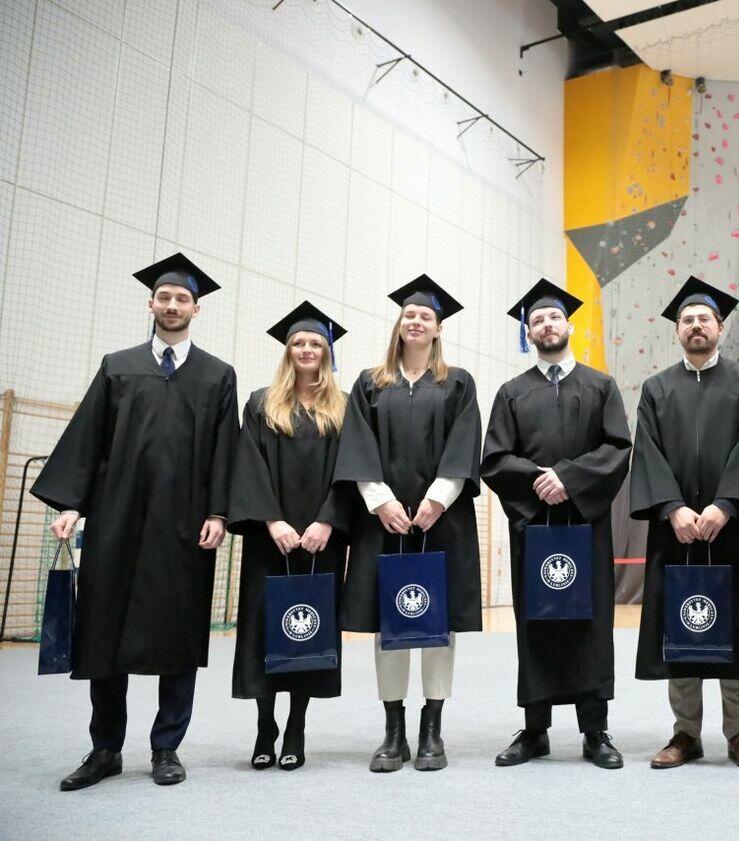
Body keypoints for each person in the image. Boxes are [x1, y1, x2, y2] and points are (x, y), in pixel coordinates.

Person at [34, 253, 238, 789]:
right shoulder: (117, 366)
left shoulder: (218, 375)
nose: (172, 305)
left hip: (184, 525)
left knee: (179, 633)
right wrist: (72, 505)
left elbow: (225, 450)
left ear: (196, 309)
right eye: (164, 297)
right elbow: (88, 439)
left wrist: (219, 512)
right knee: (104, 630)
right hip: (116, 520)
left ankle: (166, 747)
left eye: (182, 298)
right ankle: (105, 749)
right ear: (151, 304)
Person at [630, 276, 739, 771]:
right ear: (677, 330)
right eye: (687, 320)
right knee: (681, 626)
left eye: (704, 319)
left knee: (736, 627)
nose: (696, 326)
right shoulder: (657, 389)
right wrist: (672, 507)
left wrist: (726, 504)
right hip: (676, 529)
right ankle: (686, 733)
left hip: (732, 527)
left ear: (720, 327)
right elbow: (647, 451)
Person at [481, 279, 632, 770]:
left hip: (586, 526)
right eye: (537, 320)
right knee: (537, 622)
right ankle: (534, 730)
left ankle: (595, 731)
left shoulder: (601, 386)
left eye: (553, 317)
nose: (546, 325)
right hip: (534, 528)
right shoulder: (512, 392)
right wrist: (538, 483)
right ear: (528, 333)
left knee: (591, 623)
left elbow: (618, 448)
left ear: (569, 325)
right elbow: (495, 458)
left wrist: (568, 479)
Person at [334, 275, 482, 772]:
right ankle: (393, 730)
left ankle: (432, 728)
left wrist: (438, 499)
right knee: (388, 622)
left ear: (438, 329)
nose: (416, 321)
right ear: (399, 325)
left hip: (443, 521)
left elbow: (464, 443)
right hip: (385, 521)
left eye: (425, 317)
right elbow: (357, 445)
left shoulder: (458, 382)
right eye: (409, 315)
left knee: (439, 625)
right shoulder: (370, 383)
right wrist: (380, 502)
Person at [227, 301, 354, 772]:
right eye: (298, 343)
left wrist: (327, 521)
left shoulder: (344, 409)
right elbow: (249, 465)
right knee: (266, 630)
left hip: (323, 539)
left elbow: (350, 471)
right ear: (287, 351)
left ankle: (296, 728)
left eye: (315, 343)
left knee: (309, 631)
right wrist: (272, 521)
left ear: (327, 352)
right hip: (271, 539)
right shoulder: (261, 403)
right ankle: (266, 728)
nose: (306, 349)